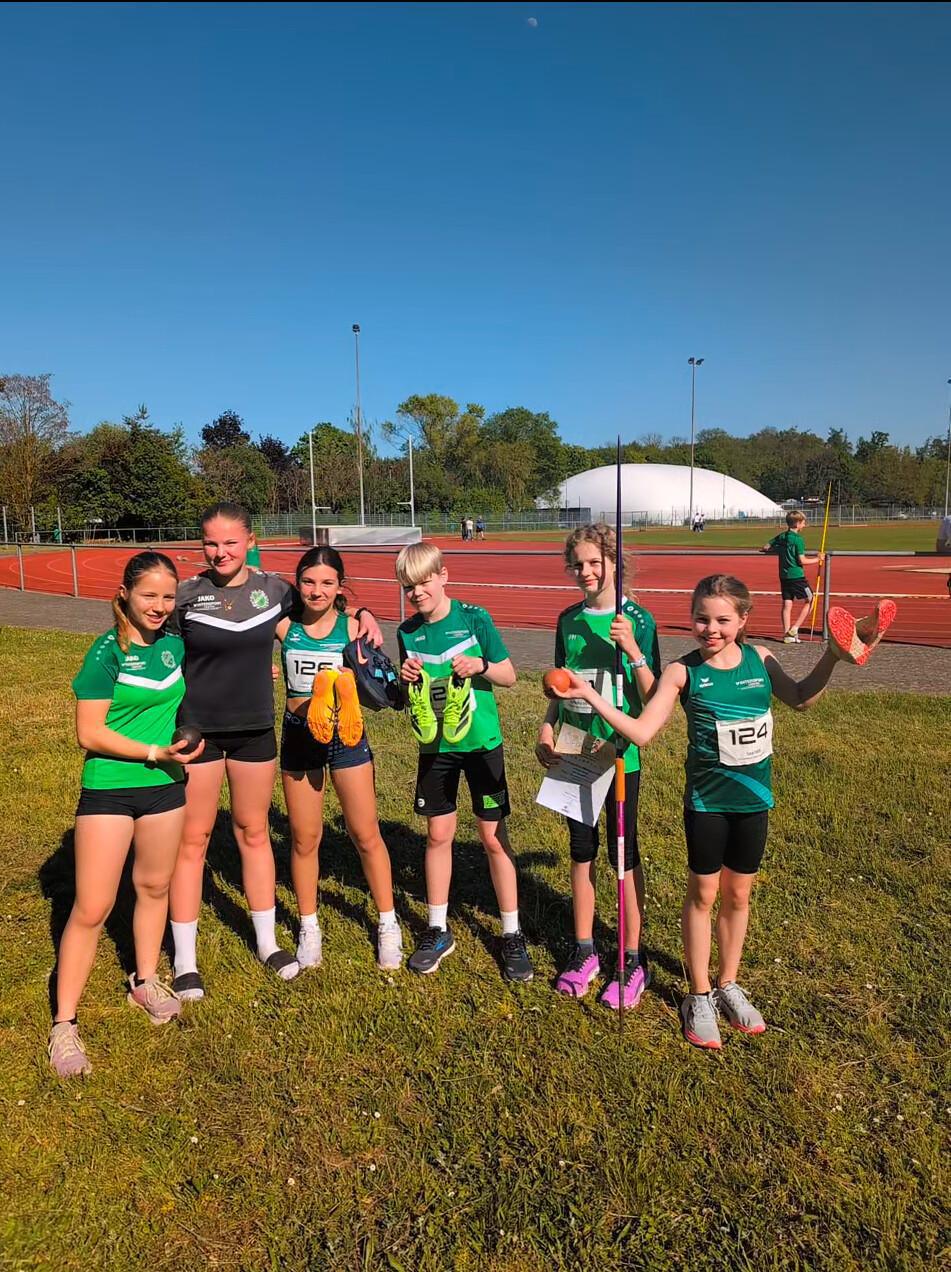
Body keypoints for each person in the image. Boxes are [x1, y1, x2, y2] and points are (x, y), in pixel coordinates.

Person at [547, 573, 856, 1050]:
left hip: (754, 801)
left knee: (738, 895)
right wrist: (588, 696)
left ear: (744, 620)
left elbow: (800, 699)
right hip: (707, 802)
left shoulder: (760, 659)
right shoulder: (682, 671)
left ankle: (729, 983)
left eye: (722, 620)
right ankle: (699, 994)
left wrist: (832, 657)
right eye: (701, 619)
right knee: (705, 894)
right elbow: (643, 731)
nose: (711, 629)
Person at [168, 502, 382, 1001]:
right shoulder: (186, 596)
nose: (219, 552)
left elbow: (325, 601)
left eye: (230, 542)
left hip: (256, 732)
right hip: (197, 732)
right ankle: (185, 959)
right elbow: (148, 629)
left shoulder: (275, 591)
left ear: (249, 541)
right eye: (210, 543)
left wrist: (365, 612)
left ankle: (267, 943)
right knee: (193, 840)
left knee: (254, 831)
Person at [49, 551, 205, 1077]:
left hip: (166, 788)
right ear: (125, 596)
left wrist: (182, 739)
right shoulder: (106, 652)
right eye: (149, 595)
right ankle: (64, 1025)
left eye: (168, 596)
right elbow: (87, 733)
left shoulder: (174, 647)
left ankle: (144, 980)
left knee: (154, 889)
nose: (160, 606)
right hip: (111, 791)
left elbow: (176, 707)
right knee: (93, 906)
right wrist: (151, 753)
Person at [395, 542, 533, 981]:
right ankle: (438, 929)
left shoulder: (475, 618)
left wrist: (479, 665)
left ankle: (511, 933)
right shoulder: (407, 632)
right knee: (438, 834)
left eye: (424, 582)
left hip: (480, 743)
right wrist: (406, 680)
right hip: (435, 746)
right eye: (409, 586)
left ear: (443, 576)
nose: (418, 593)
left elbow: (509, 675)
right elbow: (409, 699)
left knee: (492, 837)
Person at [536, 524, 660, 1009]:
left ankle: (633, 957)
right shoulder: (567, 620)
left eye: (595, 562)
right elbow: (559, 684)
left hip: (620, 754)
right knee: (580, 850)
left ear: (615, 562)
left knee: (623, 855)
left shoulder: (639, 621)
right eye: (578, 564)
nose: (586, 572)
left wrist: (631, 649)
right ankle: (585, 948)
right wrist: (547, 726)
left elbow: (653, 700)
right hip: (575, 750)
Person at [276, 547, 403, 971]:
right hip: (299, 737)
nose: (317, 590)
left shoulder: (353, 628)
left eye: (327, 583)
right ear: (298, 583)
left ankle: (387, 922)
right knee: (304, 837)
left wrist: (365, 613)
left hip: (346, 738)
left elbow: (380, 683)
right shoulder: (283, 626)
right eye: (309, 581)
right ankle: (309, 925)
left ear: (339, 587)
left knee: (365, 832)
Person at [761, 511, 823, 643]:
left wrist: (777, 550)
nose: (805, 525)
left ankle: (787, 635)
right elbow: (802, 561)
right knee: (811, 600)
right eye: (804, 523)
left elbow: (765, 547)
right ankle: (794, 629)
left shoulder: (782, 536)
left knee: (787, 604)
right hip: (797, 576)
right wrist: (817, 559)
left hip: (784, 576)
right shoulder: (798, 540)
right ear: (798, 523)